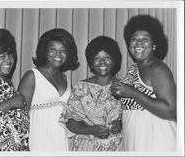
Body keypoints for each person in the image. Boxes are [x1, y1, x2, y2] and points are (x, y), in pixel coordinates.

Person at [111, 14, 177, 151]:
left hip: (156, 140)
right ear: (129, 45)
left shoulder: (158, 69)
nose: (139, 43)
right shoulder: (134, 68)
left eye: (145, 39)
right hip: (135, 139)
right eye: (134, 39)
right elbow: (135, 108)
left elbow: (170, 110)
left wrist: (133, 93)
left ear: (154, 46)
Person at [18, 28, 79, 151]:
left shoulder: (67, 79)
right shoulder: (32, 76)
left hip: (60, 139)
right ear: (44, 51)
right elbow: (19, 116)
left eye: (63, 50)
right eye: (53, 49)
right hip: (38, 139)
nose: (58, 54)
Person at [60, 36, 123, 151]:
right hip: (87, 148)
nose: (102, 62)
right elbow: (71, 123)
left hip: (117, 147)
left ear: (114, 61)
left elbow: (131, 119)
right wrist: (92, 130)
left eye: (107, 58)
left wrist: (120, 124)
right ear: (91, 63)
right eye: (97, 58)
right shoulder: (81, 87)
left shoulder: (123, 87)